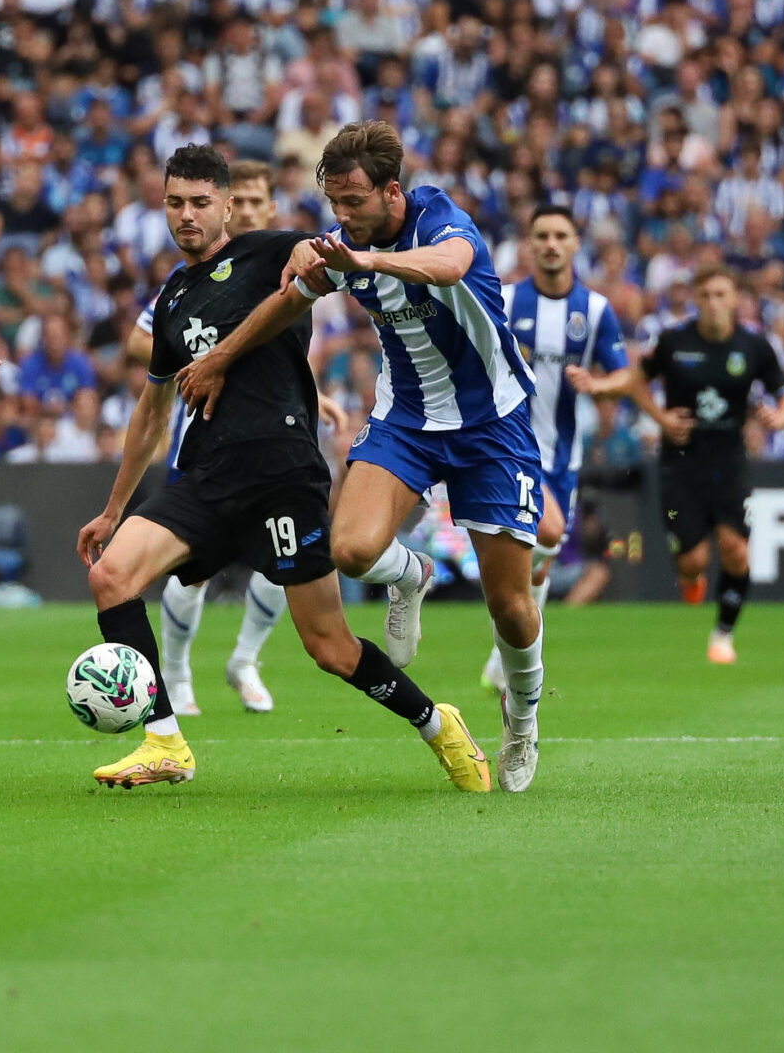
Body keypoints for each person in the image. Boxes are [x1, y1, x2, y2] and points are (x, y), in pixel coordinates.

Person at [77, 144, 491, 791]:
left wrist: (308, 249)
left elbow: (322, 255)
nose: (187, 215)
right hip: (209, 477)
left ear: (225, 208)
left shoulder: (268, 250)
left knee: (329, 647)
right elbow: (152, 413)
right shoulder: (172, 300)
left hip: (281, 474)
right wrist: (112, 509)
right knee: (112, 577)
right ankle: (163, 741)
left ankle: (436, 722)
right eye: (175, 203)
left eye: (201, 203)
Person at [179, 122, 548, 793]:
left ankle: (521, 720)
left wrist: (366, 263)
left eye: (354, 202)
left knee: (512, 608)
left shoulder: (439, 219)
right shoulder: (341, 244)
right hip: (407, 418)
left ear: (392, 192)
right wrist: (218, 359)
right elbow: (283, 302)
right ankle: (411, 575)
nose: (342, 217)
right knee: (348, 548)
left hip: (492, 423)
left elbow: (452, 266)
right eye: (334, 204)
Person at [124, 158, 347, 717]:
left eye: (253, 203)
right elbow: (142, 346)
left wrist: (324, 398)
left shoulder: (273, 260)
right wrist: (203, 359)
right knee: (188, 570)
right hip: (199, 442)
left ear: (266, 209)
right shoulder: (186, 283)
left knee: (285, 561)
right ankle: (174, 674)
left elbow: (282, 354)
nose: (245, 210)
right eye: (238, 201)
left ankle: (245, 660)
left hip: (275, 435)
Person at [569, 265, 784, 664]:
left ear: (735, 299)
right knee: (693, 561)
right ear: (696, 299)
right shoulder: (675, 342)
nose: (713, 303)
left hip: (730, 462)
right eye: (706, 295)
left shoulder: (754, 346)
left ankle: (723, 634)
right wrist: (618, 394)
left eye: (721, 294)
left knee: (736, 550)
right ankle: (690, 579)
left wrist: (780, 418)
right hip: (680, 464)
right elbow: (635, 379)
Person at [485, 205, 628, 691]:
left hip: (562, 456)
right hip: (508, 448)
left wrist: (601, 385)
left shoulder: (594, 311)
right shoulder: (502, 301)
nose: (550, 243)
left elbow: (624, 375)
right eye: (541, 235)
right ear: (529, 243)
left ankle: (503, 654)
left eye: (560, 235)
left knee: (541, 560)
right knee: (541, 539)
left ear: (574, 244)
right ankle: (516, 666)